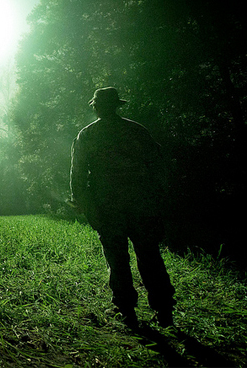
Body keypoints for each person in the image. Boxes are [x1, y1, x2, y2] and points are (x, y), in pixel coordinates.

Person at [70, 87, 176, 328]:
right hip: (141, 204)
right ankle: (164, 311)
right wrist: (158, 199)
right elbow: (158, 165)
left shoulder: (87, 135)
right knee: (149, 255)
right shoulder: (137, 130)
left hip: (107, 207)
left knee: (117, 258)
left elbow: (78, 175)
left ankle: (126, 310)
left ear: (96, 107)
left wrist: (84, 204)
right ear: (117, 105)